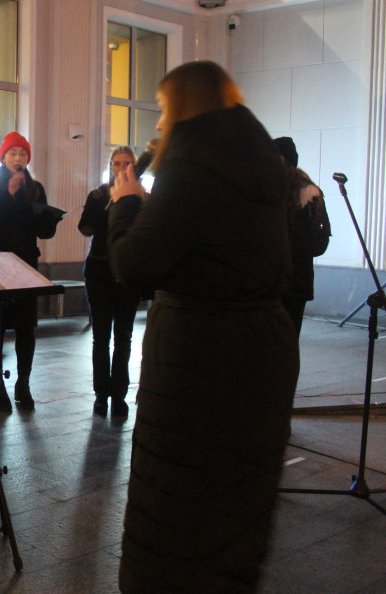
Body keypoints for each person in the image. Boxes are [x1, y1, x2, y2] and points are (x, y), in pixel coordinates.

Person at [107, 61, 299, 591]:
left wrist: (125, 207)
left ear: (183, 108)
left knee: (179, 518)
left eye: (165, 109)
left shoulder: (193, 169)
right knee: (234, 508)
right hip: (259, 350)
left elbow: (133, 265)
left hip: (201, 360)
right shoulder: (255, 164)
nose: (161, 122)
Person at [0, 132, 63, 411]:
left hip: (25, 263)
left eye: (23, 154)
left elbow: (43, 231)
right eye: (12, 153)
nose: (18, 158)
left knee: (26, 326)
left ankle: (23, 383)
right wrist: (9, 196)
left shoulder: (35, 188)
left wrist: (51, 219)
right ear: (2, 158)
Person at [78, 146, 141, 419]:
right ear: (110, 166)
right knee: (101, 336)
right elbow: (85, 228)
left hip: (127, 273)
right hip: (100, 269)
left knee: (124, 337)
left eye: (127, 163)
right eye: (117, 163)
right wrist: (101, 210)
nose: (122, 168)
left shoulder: (140, 197)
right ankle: (101, 395)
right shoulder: (98, 195)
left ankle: (119, 395)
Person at [272, 136, 331, 335]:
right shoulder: (268, 188)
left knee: (286, 341)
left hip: (295, 281)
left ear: (285, 159)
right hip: (269, 282)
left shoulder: (308, 192)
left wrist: (284, 245)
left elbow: (318, 243)